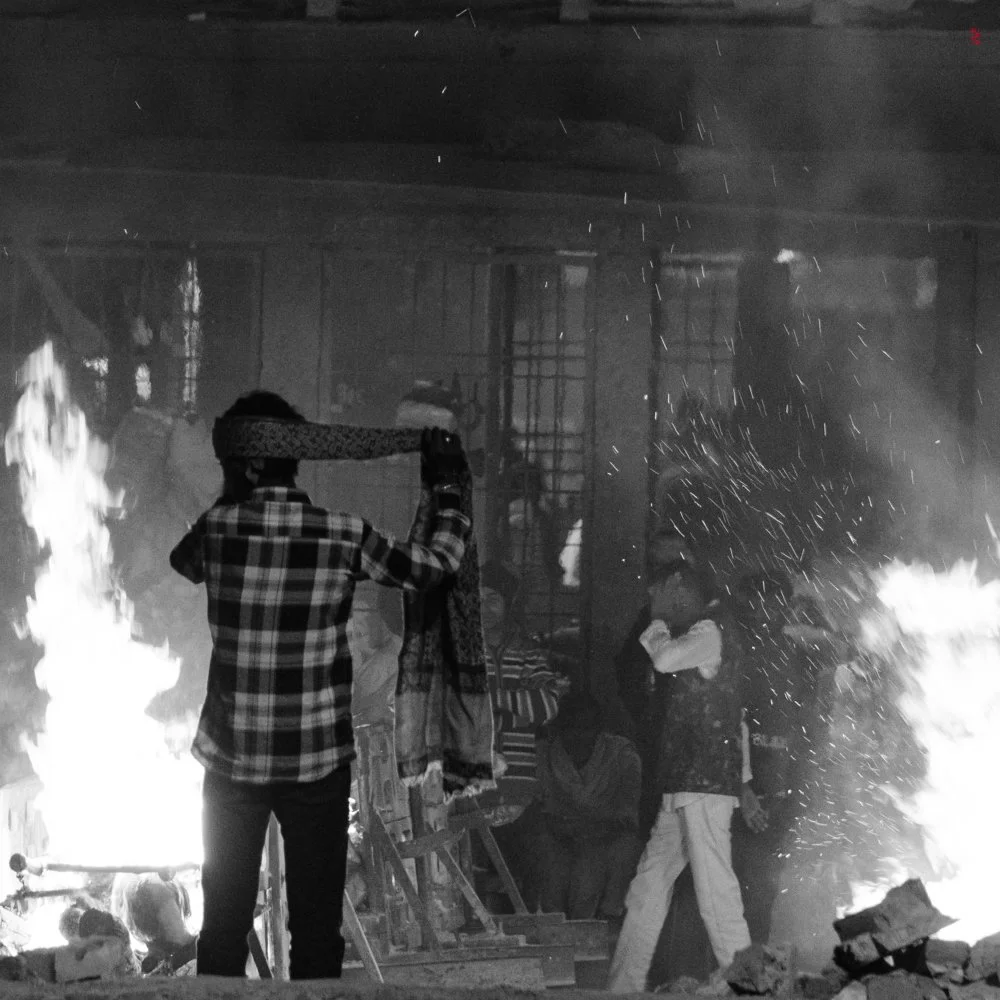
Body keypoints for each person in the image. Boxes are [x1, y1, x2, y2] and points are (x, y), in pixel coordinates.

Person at [169, 390, 472, 980]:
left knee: (224, 926)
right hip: (317, 765)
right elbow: (436, 568)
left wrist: (232, 495)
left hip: (233, 763)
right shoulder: (342, 534)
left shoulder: (217, 529)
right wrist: (448, 489)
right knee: (314, 931)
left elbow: (184, 564)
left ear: (247, 465)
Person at [608, 560, 750, 995]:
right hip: (684, 785)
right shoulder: (702, 631)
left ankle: (750, 986)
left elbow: (666, 658)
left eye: (655, 592)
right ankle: (623, 987)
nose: (652, 601)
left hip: (703, 786)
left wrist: (654, 626)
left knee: (715, 892)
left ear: (675, 584)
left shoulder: (709, 631)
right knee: (648, 886)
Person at [533, 690, 642, 921]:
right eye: (572, 728)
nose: (579, 736)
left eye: (587, 728)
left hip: (606, 836)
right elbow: (538, 809)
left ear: (599, 729)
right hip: (560, 836)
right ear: (560, 729)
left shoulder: (621, 755)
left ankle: (607, 918)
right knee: (544, 848)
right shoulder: (545, 754)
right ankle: (553, 924)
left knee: (623, 849)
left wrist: (594, 832)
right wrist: (564, 830)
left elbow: (628, 816)